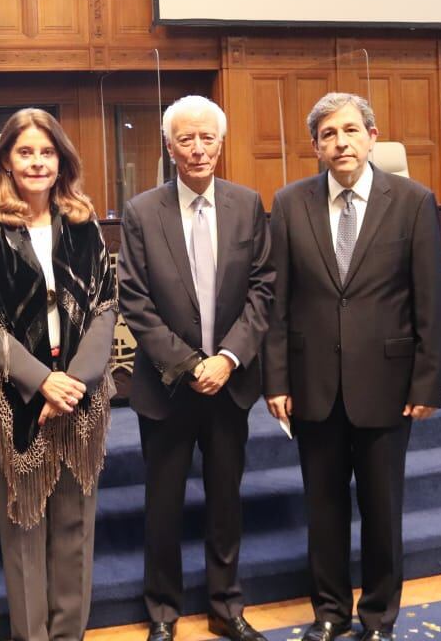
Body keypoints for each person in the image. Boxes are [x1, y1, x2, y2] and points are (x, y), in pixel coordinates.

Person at [264, 92, 441, 641]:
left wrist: (428, 382)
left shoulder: (413, 201)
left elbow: (430, 303)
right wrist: (275, 380)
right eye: (327, 135)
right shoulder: (290, 202)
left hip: (388, 385)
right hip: (312, 384)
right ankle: (328, 613)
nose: (339, 142)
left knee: (381, 509)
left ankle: (377, 618)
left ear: (372, 136)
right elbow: (278, 303)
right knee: (322, 511)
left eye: (349, 130)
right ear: (316, 147)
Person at [117, 95, 275, 641]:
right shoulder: (141, 212)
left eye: (208, 137)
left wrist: (228, 359)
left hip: (229, 385)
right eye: (186, 138)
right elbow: (134, 301)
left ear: (221, 143)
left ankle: (225, 606)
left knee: (226, 502)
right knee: (162, 507)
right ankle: (162, 611)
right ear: (169, 146)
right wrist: (190, 365)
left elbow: (262, 289)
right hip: (166, 388)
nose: (198, 147)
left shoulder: (248, 204)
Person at [0, 108, 116, 641]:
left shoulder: (83, 222)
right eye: (25, 152)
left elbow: (106, 307)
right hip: (15, 402)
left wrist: (73, 381)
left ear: (61, 160)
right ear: (5, 159)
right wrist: (41, 381)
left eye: (47, 152)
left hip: (81, 397)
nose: (37, 162)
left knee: (75, 529)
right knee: (25, 531)